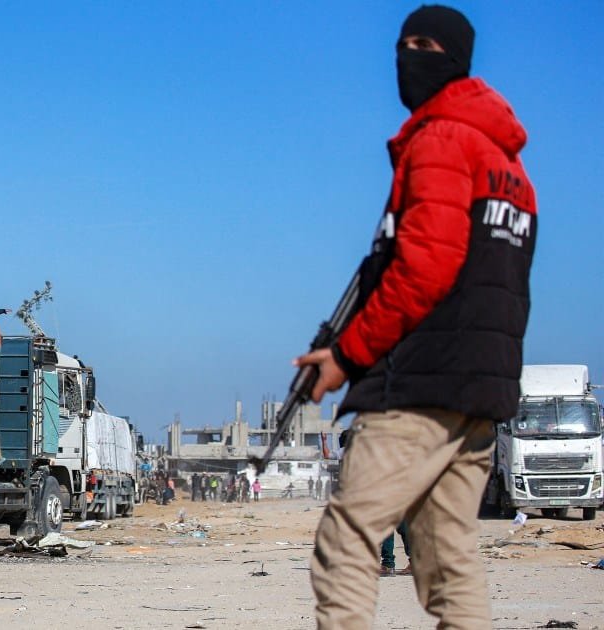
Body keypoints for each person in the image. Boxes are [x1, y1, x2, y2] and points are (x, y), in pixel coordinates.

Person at [297, 6, 536, 629]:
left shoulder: (440, 140)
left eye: (425, 44)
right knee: (447, 560)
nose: (408, 56)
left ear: (456, 57)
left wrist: (347, 355)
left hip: (423, 382)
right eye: (403, 43)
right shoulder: (512, 172)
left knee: (347, 538)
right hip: (480, 389)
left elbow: (425, 270)